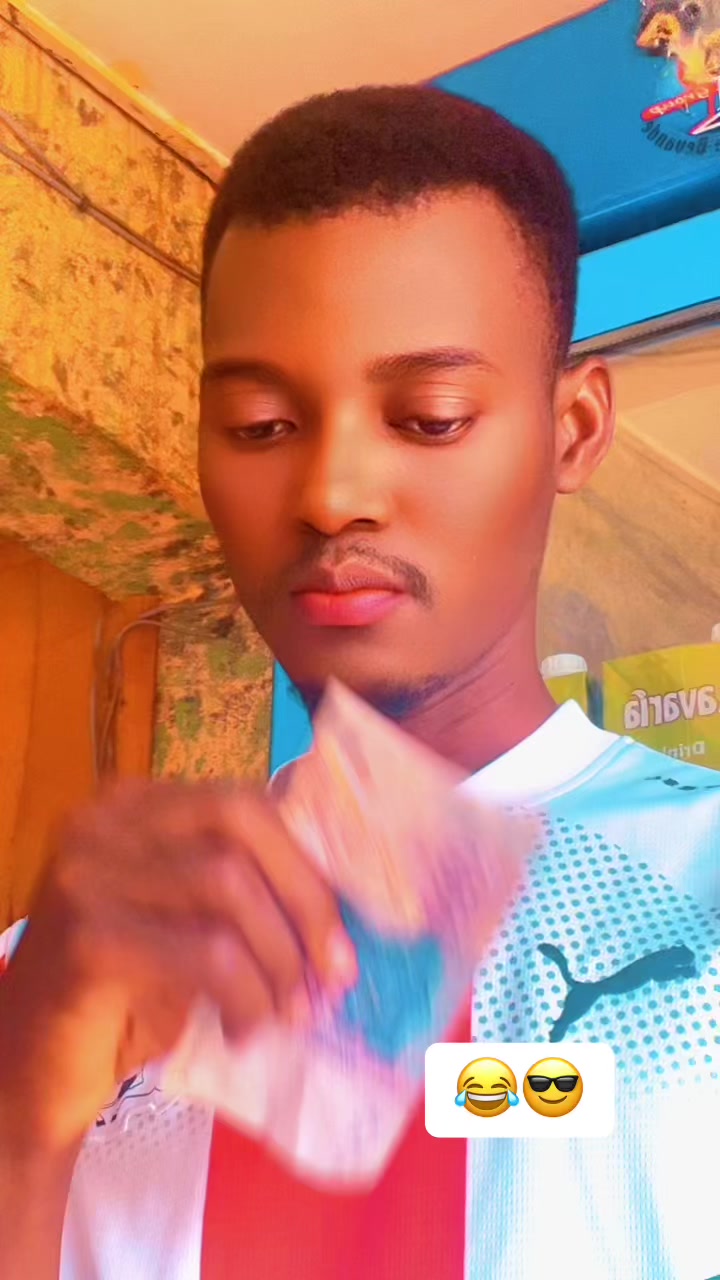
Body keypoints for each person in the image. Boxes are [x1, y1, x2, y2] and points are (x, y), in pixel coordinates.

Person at [0, 83, 718, 1280]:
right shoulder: (58, 968)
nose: (332, 494)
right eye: (260, 424)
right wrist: (24, 1114)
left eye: (428, 417)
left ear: (576, 429)